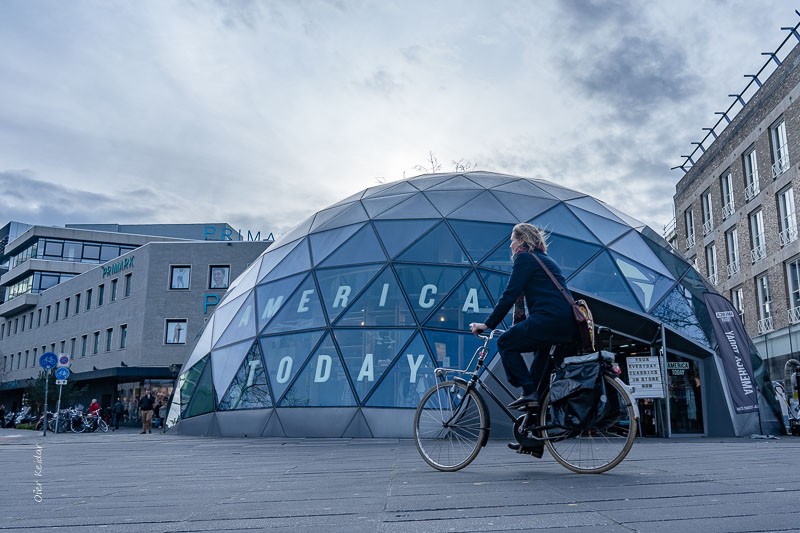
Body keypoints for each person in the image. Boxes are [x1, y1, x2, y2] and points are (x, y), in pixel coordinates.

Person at [471, 223, 578, 409]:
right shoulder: (545, 259)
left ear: (521, 240)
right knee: (539, 375)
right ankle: (533, 428)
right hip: (566, 323)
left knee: (505, 342)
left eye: (512, 240)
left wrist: (488, 325)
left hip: (549, 320)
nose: (510, 245)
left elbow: (510, 294)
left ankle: (528, 391)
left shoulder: (525, 259)